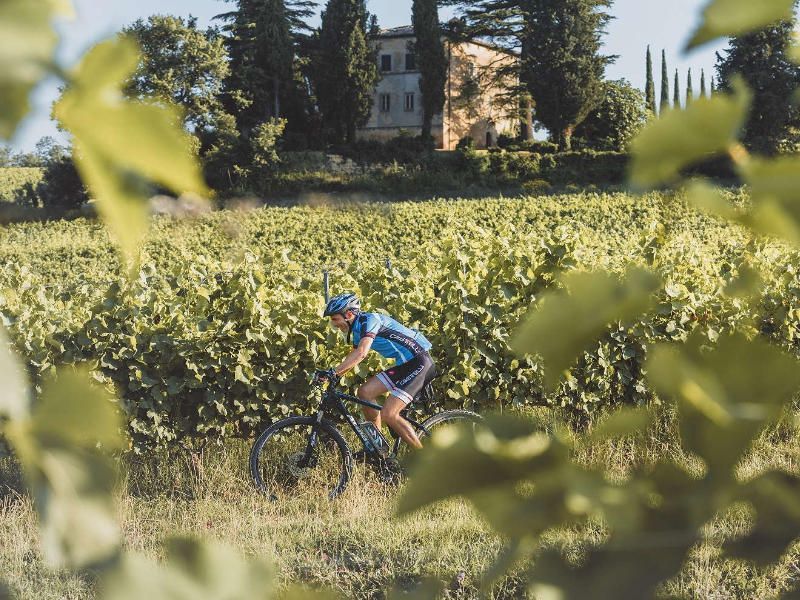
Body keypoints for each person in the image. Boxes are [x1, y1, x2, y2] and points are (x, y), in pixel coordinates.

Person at [318, 292, 436, 451]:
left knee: (389, 414)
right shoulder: (357, 329)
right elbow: (354, 355)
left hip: (420, 362)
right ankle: (378, 447)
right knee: (365, 392)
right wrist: (332, 373)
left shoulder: (370, 320)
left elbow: (362, 353)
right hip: (405, 365)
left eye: (335, 319)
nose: (334, 324)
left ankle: (425, 459)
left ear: (349, 314)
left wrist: (334, 373)